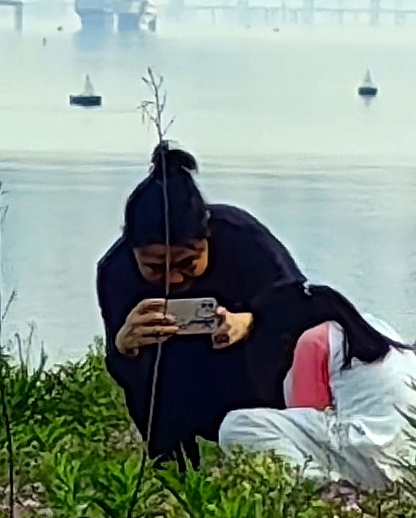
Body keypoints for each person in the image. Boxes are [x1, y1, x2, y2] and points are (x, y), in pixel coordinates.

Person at [95, 145, 302, 463]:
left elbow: (303, 311)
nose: (173, 279)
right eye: (155, 268)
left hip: (253, 378)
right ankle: (173, 471)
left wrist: (250, 322)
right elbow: (127, 375)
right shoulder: (115, 272)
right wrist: (124, 348)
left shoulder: (243, 240)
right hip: (170, 391)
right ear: (131, 249)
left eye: (186, 263)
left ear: (207, 236)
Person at [218, 282, 416, 489]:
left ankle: (322, 490)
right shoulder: (379, 330)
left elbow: (305, 416)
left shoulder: (314, 340)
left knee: (238, 425)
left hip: (372, 458)